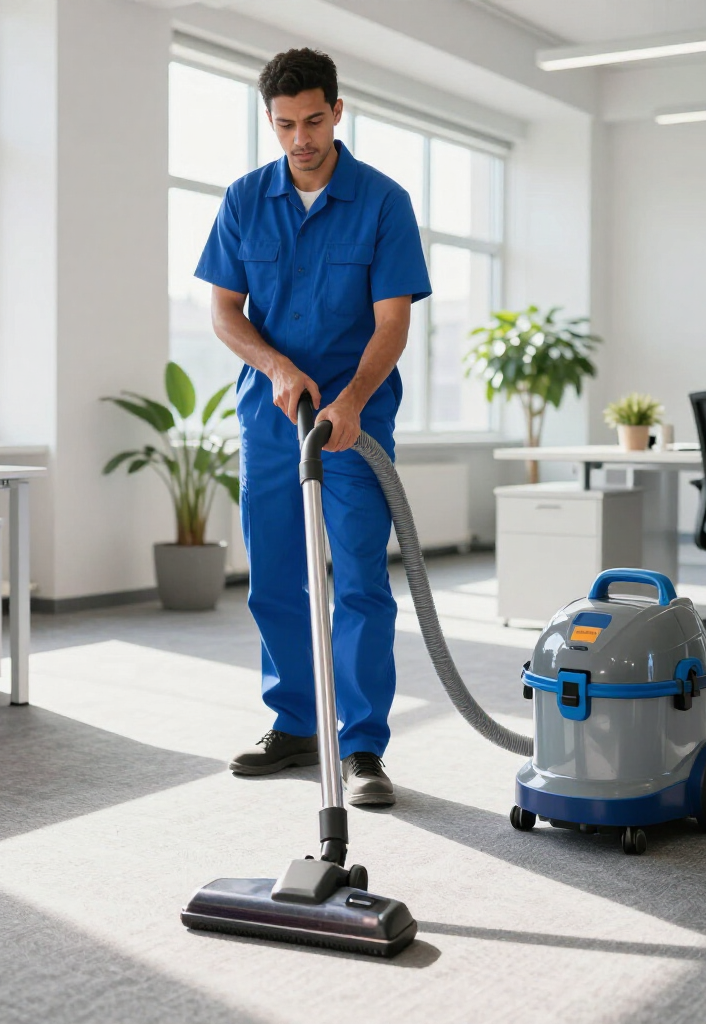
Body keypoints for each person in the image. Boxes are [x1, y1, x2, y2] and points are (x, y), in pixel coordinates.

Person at [194, 48, 431, 807]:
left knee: (360, 578)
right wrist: (275, 368)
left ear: (338, 111)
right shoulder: (243, 200)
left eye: (314, 120)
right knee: (275, 575)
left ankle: (361, 746)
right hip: (273, 417)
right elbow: (225, 313)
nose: (301, 137)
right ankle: (296, 724)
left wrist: (353, 399)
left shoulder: (383, 202)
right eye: (286, 124)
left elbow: (392, 324)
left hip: (355, 418)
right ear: (270, 120)